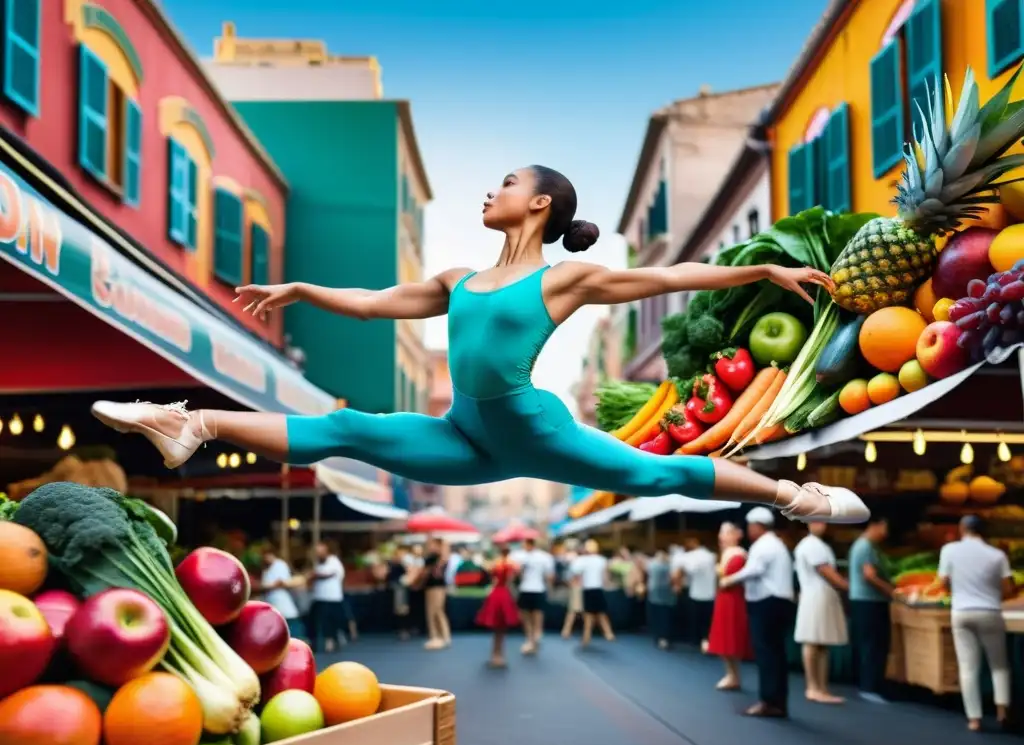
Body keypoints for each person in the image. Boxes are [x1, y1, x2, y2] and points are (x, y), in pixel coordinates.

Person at [90, 167, 871, 535]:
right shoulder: (458, 279)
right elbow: (372, 306)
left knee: (655, 473)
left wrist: (762, 266)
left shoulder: (565, 280)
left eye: (503, 184)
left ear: (539, 204)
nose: (487, 192)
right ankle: (191, 422)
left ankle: (794, 499)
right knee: (350, 427)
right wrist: (303, 292)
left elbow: (663, 273)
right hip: (465, 435)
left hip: (532, 427)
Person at [938, 515, 1016, 731]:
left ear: (963, 528)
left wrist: (958, 591)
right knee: (999, 665)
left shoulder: (949, 550)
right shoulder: (997, 555)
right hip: (990, 612)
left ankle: (974, 719)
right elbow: (1008, 589)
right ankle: (1002, 713)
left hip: (961, 612)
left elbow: (943, 583)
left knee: (968, 667)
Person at [720, 508, 794, 718]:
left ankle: (769, 701)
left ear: (756, 526)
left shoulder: (764, 546)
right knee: (776, 654)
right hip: (778, 603)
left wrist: (729, 579)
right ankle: (777, 701)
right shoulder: (775, 543)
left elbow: (753, 570)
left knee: (767, 654)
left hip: (767, 603)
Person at [793, 522, 849, 704]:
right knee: (812, 641)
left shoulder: (818, 544)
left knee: (821, 643)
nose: (821, 525)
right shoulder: (811, 545)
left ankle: (821, 687)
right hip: (816, 595)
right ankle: (813, 687)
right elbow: (825, 571)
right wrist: (848, 586)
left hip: (820, 595)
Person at [848, 516, 893, 704]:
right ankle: (869, 687)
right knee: (873, 645)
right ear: (877, 525)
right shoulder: (866, 546)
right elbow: (869, 575)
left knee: (869, 643)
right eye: (885, 528)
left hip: (864, 601)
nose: (886, 533)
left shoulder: (866, 546)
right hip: (869, 602)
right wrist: (890, 590)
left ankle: (866, 684)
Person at [706, 523, 753, 690]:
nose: (721, 537)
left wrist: (723, 576)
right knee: (723, 636)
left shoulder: (740, 554)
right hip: (724, 598)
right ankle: (731, 674)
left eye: (725, 533)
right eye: (721, 533)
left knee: (731, 635)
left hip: (733, 599)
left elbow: (731, 578)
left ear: (736, 535)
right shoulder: (726, 553)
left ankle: (734, 675)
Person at [476, 546, 521, 667]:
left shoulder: (496, 563)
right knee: (502, 628)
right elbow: (511, 581)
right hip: (504, 595)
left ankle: (494, 655)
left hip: (496, 594)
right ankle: (500, 655)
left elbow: (492, 578)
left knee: (497, 628)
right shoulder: (511, 565)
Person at [511, 538, 555, 654]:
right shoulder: (520, 557)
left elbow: (549, 576)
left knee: (534, 615)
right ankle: (532, 638)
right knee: (529, 615)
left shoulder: (541, 557)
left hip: (533, 589)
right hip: (530, 589)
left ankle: (534, 638)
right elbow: (550, 576)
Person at [672, 537, 717, 649]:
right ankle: (706, 640)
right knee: (707, 620)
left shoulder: (687, 557)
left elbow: (682, 571)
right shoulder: (710, 556)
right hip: (709, 592)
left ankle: (697, 640)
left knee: (697, 619)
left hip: (697, 593)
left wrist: (677, 583)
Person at [571, 539, 615, 647]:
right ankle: (608, 633)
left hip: (588, 590)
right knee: (601, 613)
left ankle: (586, 637)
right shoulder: (602, 560)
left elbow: (575, 573)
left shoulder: (582, 560)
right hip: (598, 589)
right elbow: (606, 576)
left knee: (588, 615)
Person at [257, 545, 305, 639]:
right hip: (273, 604)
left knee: (292, 630)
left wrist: (265, 586)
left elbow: (281, 582)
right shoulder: (267, 569)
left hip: (283, 603)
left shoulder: (279, 564)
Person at [307, 541, 347, 652]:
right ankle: (313, 643)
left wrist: (314, 575)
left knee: (329, 622)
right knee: (312, 620)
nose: (318, 553)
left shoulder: (334, 561)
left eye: (320, 551)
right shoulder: (318, 564)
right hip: (318, 597)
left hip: (332, 598)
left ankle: (331, 642)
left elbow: (327, 574)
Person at [416, 537, 451, 650]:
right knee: (432, 612)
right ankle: (435, 636)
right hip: (431, 586)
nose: (432, 547)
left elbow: (427, 572)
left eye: (434, 545)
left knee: (437, 610)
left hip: (438, 587)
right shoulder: (431, 558)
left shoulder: (441, 558)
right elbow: (424, 572)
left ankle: (443, 636)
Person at [646, 550, 675, 650]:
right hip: (668, 597)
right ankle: (664, 639)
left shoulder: (652, 565)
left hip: (654, 597)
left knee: (658, 619)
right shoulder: (669, 566)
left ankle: (659, 638)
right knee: (666, 619)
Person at [386, 546, 412, 640]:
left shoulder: (402, 565)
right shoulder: (393, 565)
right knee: (400, 610)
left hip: (401, 589)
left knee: (402, 609)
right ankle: (401, 629)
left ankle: (404, 629)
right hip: (397, 589)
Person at [560, 542, 585, 639]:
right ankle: (566, 631)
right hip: (579, 588)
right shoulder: (578, 560)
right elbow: (573, 576)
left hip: (579, 587)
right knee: (575, 610)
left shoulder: (577, 560)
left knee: (577, 611)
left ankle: (568, 631)